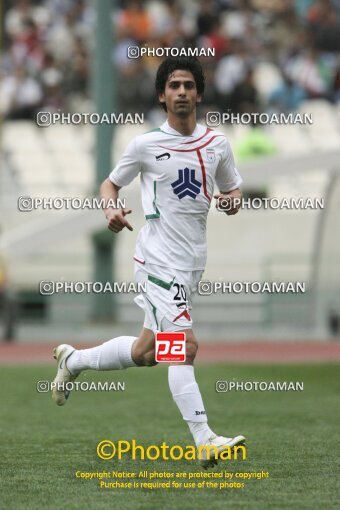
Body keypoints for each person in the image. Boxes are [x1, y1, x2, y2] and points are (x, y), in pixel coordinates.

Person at [52, 56, 245, 468]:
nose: (181, 92)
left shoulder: (218, 145)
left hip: (192, 262)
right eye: (173, 85)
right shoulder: (145, 145)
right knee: (183, 347)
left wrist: (231, 203)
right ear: (161, 95)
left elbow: (234, 191)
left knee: (146, 351)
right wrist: (110, 210)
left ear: (198, 94)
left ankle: (74, 361)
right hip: (157, 261)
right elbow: (109, 184)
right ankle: (204, 438)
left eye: (188, 85)